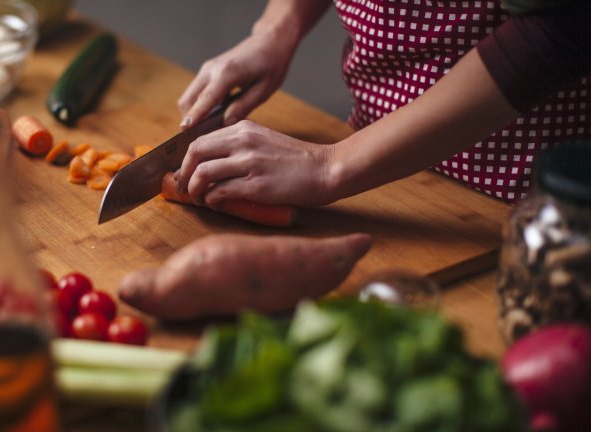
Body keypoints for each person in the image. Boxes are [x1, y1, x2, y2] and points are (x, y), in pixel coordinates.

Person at [118, 0, 591, 319]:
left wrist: (331, 166)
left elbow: (560, 25)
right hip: (381, 176)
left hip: (517, 211)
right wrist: (277, 27)